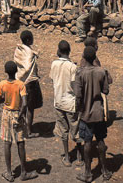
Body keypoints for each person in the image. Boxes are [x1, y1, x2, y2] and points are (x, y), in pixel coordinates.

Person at [73, 46, 112, 182]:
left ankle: (88, 174)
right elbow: (106, 91)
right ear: (95, 57)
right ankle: (105, 170)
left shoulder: (80, 73)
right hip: (99, 112)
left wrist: (78, 110)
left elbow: (78, 95)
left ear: (83, 57)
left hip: (86, 114)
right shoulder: (102, 72)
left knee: (87, 142)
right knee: (101, 140)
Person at [0, 59, 35, 181]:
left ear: (5, 72)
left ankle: (9, 173)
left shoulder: (2, 84)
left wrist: (5, 99)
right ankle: (23, 172)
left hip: (6, 114)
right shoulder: (20, 84)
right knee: (20, 143)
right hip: (17, 114)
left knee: (7, 143)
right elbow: (24, 104)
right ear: (16, 71)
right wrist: (20, 116)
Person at [49, 39, 80, 167]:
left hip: (59, 102)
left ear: (58, 51)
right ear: (69, 51)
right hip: (71, 103)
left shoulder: (54, 64)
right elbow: (74, 85)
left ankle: (67, 157)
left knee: (63, 131)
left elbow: (53, 80)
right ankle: (80, 157)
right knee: (76, 130)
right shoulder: (73, 67)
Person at [14, 30, 43, 138]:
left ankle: (21, 127)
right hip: (29, 82)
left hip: (20, 81)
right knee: (30, 108)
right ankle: (29, 131)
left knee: (22, 105)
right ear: (28, 40)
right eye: (32, 38)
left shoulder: (18, 49)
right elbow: (27, 67)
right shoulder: (29, 53)